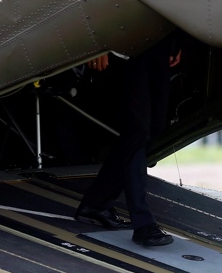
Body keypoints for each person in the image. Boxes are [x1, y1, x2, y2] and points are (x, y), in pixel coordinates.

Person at [73, 33, 182, 247]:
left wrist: (175, 41)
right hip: (125, 43)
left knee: (154, 127)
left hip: (159, 41)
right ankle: (143, 223)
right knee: (137, 130)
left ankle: (96, 203)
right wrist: (98, 44)